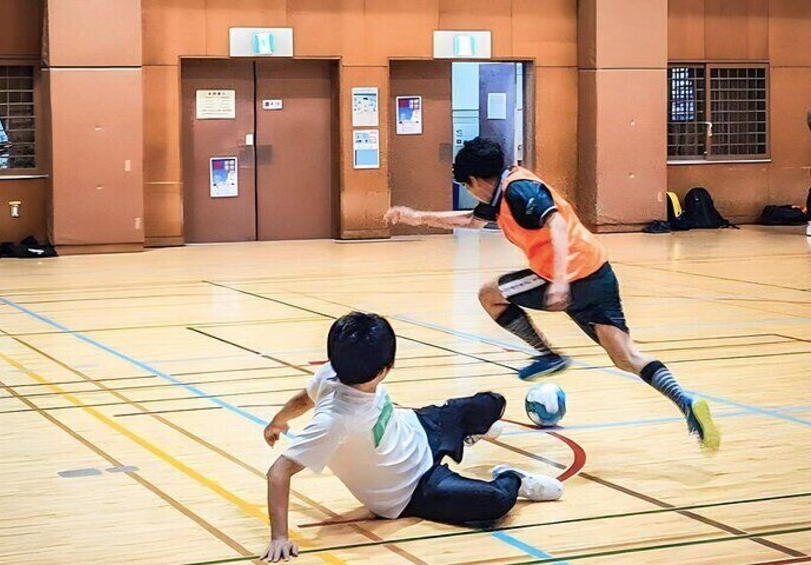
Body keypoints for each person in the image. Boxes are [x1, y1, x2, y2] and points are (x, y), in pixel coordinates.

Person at [384, 137, 720, 452]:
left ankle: (548, 355)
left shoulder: (519, 190)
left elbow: (556, 223)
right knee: (625, 356)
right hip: (598, 273)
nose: (471, 194)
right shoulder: (502, 193)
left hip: (570, 277)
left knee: (490, 294)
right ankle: (687, 401)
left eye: (467, 187)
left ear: (476, 180)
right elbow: (472, 221)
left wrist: (559, 281)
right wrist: (417, 217)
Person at [261, 312, 563, 563]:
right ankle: (516, 479)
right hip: (411, 489)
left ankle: (467, 434)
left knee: (492, 403)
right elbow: (278, 473)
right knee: (495, 502)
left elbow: (304, 398)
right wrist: (279, 537)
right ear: (386, 368)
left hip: (419, 426)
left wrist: (277, 421)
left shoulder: (332, 371)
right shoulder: (335, 421)